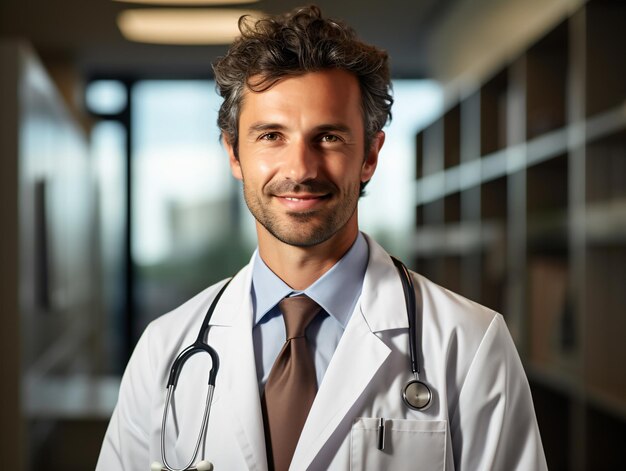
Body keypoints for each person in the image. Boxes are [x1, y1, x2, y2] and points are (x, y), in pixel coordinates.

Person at [96, 5, 547, 471]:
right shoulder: (165, 348)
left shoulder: (467, 342)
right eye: (271, 135)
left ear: (370, 154)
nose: (301, 170)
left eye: (328, 137)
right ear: (234, 153)